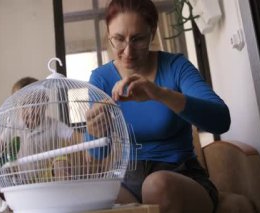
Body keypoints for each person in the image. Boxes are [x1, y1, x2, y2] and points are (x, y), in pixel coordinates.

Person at [85, 0, 230, 212]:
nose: (128, 52)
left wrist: (160, 94)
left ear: (152, 33)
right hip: (128, 178)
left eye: (138, 39)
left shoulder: (175, 67)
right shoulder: (100, 79)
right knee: (95, 196)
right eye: (118, 39)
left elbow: (221, 121)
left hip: (180, 174)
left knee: (157, 185)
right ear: (109, 35)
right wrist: (94, 132)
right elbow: (99, 154)